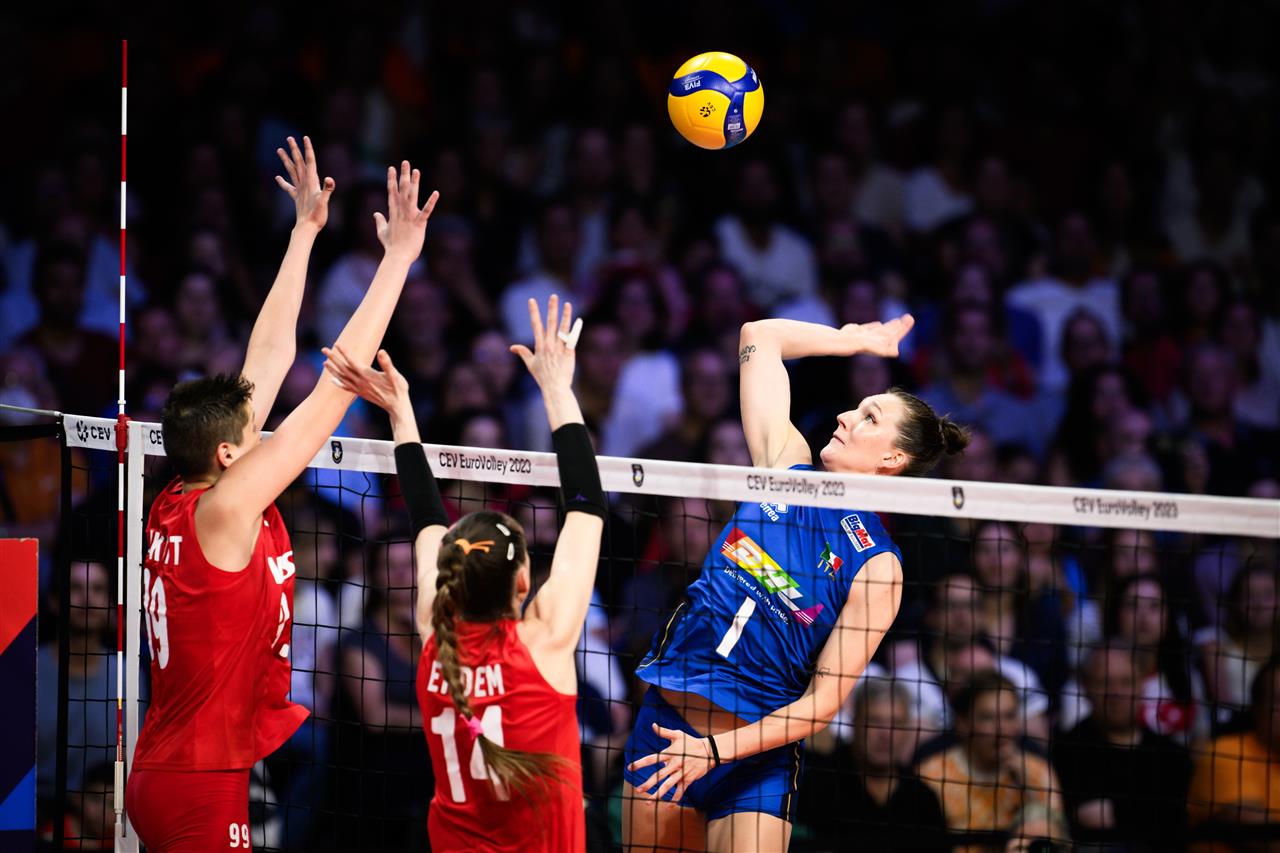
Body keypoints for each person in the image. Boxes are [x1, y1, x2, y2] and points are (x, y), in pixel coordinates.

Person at [124, 139, 439, 852]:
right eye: (253, 430)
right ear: (228, 454)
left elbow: (266, 357)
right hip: (198, 783)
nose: (262, 427)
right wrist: (398, 259)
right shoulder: (228, 508)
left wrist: (304, 231)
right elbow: (336, 385)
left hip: (175, 767)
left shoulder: (182, 494)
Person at [623, 314, 970, 852]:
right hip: (668, 730)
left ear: (892, 458)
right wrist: (854, 341)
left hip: (754, 760)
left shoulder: (878, 565)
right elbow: (758, 336)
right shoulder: (783, 466)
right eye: (856, 407)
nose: (845, 416)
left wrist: (714, 753)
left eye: (869, 417)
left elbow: (822, 704)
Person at [323, 294, 606, 852]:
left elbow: (428, 517)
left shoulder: (434, 637)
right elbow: (588, 504)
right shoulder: (543, 643)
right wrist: (555, 386)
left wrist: (402, 414)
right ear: (523, 583)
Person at [1053, 643, 1192, 849]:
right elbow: (1089, 819)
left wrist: (1119, 812)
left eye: (1126, 682)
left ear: (1142, 684)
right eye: (1104, 683)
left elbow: (1177, 821)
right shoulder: (1066, 750)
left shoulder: (1172, 756)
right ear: (1085, 686)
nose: (1116, 693)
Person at [916, 671, 1065, 852]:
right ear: (962, 723)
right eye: (988, 718)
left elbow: (1057, 841)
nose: (1002, 729)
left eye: (1009, 716)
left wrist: (1029, 787)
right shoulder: (932, 775)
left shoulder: (1038, 771)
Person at [799, 677, 949, 851]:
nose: (885, 734)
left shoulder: (921, 799)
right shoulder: (816, 784)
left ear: (908, 729)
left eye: (895, 723)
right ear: (854, 722)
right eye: (875, 721)